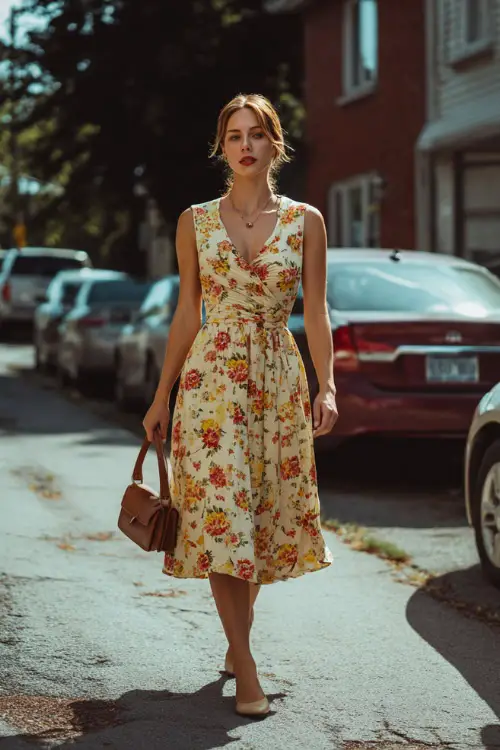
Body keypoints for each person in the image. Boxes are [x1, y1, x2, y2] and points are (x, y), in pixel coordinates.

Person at [143, 93, 338, 718]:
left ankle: (237, 637)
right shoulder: (194, 221)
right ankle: (246, 665)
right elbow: (186, 312)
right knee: (222, 515)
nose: (246, 145)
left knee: (257, 511)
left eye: (257, 134)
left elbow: (317, 311)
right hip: (212, 383)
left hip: (278, 382)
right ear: (221, 147)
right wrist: (161, 394)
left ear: (275, 144)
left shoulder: (306, 220)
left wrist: (325, 383)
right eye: (234, 135)